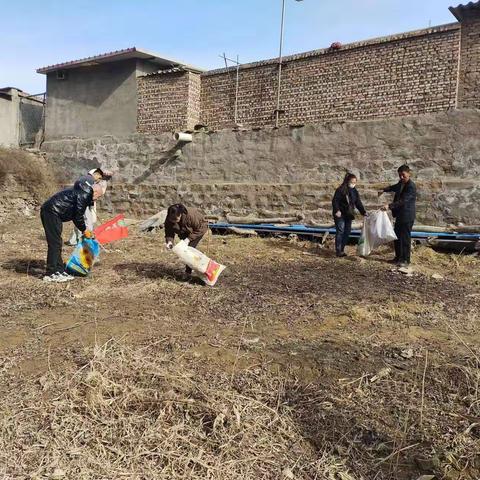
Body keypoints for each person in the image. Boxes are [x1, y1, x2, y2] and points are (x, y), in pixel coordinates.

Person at [40, 180, 104, 282]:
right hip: (51, 212)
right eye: (98, 196)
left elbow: (75, 215)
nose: (96, 199)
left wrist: (84, 230)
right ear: (95, 192)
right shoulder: (85, 194)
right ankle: (50, 273)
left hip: (55, 213)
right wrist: (84, 230)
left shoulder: (82, 193)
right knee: (54, 243)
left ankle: (59, 270)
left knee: (57, 243)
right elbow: (78, 216)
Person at [378, 164, 417, 267]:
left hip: (407, 216)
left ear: (409, 173)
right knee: (397, 237)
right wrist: (384, 190)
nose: (401, 177)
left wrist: (389, 206)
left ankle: (405, 260)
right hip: (400, 215)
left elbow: (403, 201)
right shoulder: (401, 183)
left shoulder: (411, 186)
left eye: (403, 175)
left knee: (405, 239)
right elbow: (394, 187)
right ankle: (398, 257)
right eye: (399, 175)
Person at [67, 168, 112, 246]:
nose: (99, 180)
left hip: (84, 203)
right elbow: (87, 193)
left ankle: (74, 240)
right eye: (99, 178)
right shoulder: (88, 180)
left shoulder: (87, 179)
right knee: (88, 222)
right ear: (95, 174)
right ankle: (84, 241)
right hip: (83, 204)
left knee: (84, 221)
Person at [164, 204, 208, 277]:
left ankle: (189, 272)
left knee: (189, 250)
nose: (174, 222)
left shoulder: (191, 215)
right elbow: (169, 232)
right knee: (184, 250)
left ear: (180, 214)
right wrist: (169, 242)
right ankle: (193, 269)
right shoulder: (169, 218)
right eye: (172, 220)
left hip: (197, 230)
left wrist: (188, 239)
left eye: (176, 219)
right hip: (183, 232)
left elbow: (202, 228)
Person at [332, 173, 367, 257]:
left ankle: (342, 249)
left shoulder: (354, 191)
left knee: (347, 232)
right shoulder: (340, 190)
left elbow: (358, 202)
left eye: (355, 182)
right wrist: (337, 210)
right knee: (340, 231)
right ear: (347, 181)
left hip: (349, 214)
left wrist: (363, 212)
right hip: (340, 214)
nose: (353, 184)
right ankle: (338, 251)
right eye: (352, 182)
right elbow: (335, 201)